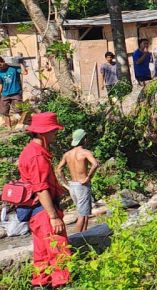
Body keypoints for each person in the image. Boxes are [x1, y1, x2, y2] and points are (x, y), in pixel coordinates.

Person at [16, 112, 71, 287]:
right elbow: (41, 188)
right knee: (60, 252)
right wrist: (54, 216)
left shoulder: (31, 151)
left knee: (42, 256)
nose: (55, 134)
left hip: (36, 213)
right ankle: (63, 285)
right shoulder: (37, 156)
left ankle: (41, 285)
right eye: (53, 131)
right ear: (42, 133)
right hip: (44, 213)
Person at [56, 129, 98, 233]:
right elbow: (95, 164)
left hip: (72, 185)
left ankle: (84, 236)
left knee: (84, 212)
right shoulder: (85, 152)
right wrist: (89, 177)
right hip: (82, 185)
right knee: (82, 215)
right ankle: (77, 240)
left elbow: (59, 169)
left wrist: (65, 183)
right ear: (84, 139)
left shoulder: (67, 154)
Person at [0, 56, 24, 129]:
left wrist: (21, 64)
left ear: (2, 61)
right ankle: (8, 128)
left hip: (16, 93)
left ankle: (21, 125)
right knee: (4, 112)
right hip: (5, 94)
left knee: (19, 110)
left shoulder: (14, 68)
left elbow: (25, 72)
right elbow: (1, 84)